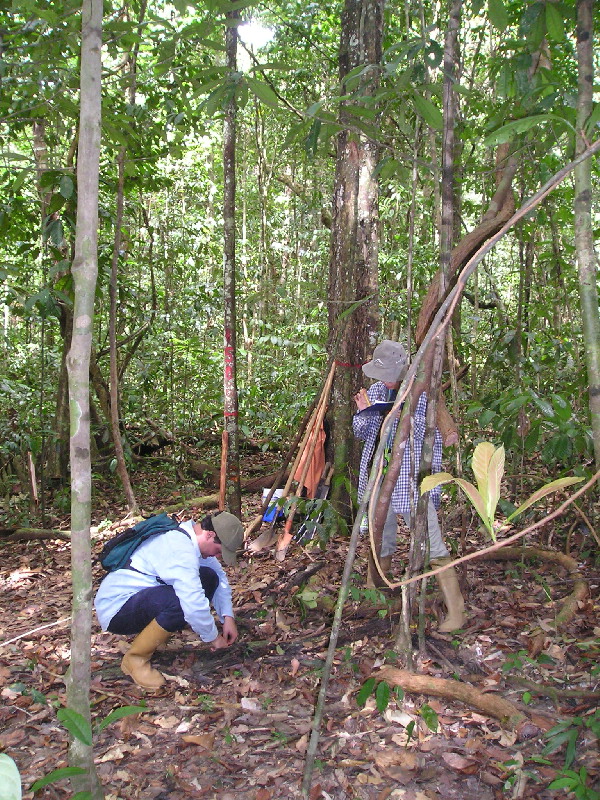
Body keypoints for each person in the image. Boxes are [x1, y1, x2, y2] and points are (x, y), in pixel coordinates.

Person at [352, 339, 466, 632]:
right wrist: (365, 411)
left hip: (411, 481)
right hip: (380, 479)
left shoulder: (421, 393)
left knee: (432, 542)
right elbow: (362, 434)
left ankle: (457, 612)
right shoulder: (376, 391)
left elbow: (430, 440)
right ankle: (374, 594)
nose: (386, 380)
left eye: (391, 372)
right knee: (381, 538)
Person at [94, 511, 244, 689]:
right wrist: (213, 638)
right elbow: (193, 604)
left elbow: (219, 577)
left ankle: (158, 637)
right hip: (118, 608)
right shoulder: (179, 547)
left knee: (209, 577)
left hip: (143, 597)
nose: (218, 556)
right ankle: (135, 659)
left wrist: (227, 617)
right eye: (219, 551)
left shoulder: (190, 540)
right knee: (182, 602)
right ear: (210, 535)